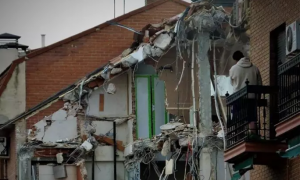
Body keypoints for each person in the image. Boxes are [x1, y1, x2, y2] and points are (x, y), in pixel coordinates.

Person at [229, 50, 262, 136]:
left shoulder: (233, 69)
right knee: (252, 118)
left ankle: (238, 136)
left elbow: (232, 83)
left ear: (236, 60)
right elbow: (259, 83)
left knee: (237, 118)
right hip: (252, 97)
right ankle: (253, 135)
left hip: (239, 98)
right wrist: (258, 96)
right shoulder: (255, 68)